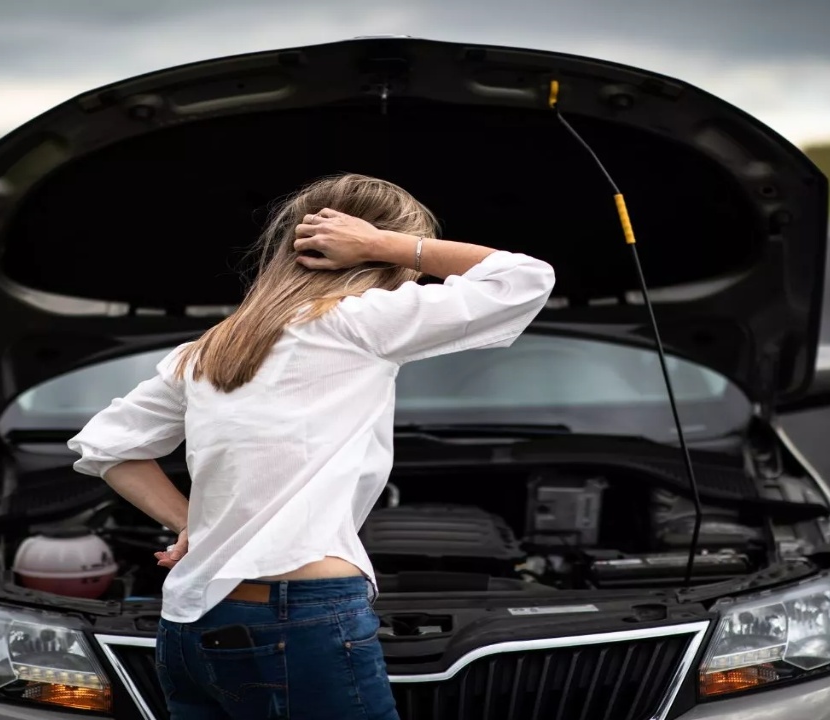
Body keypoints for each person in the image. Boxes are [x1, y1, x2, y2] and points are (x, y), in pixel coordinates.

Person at [67, 174, 555, 719]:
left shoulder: (207, 350)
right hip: (298, 616)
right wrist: (384, 243)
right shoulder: (358, 320)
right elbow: (525, 278)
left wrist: (194, 526)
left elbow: (108, 445)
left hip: (190, 623)